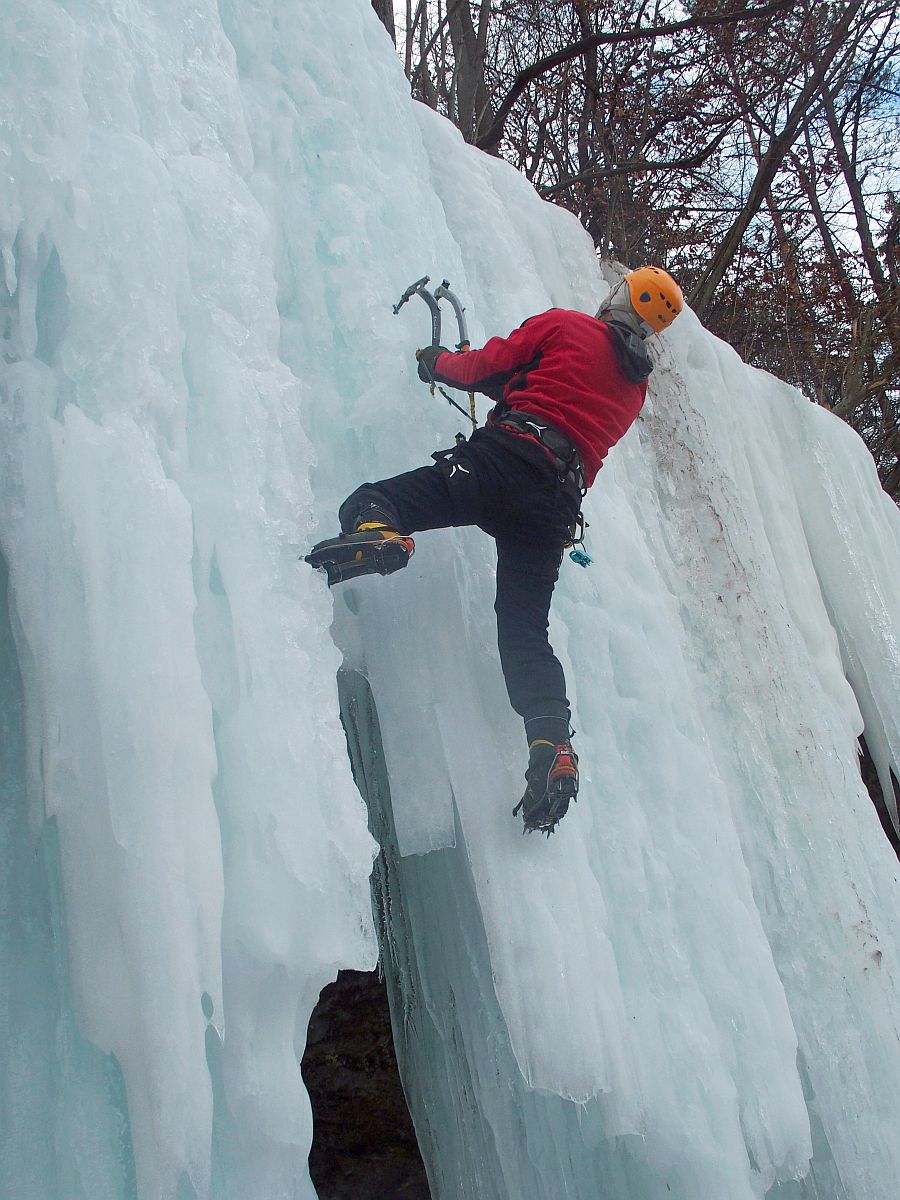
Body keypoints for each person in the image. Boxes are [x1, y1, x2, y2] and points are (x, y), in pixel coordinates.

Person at [308, 266, 684, 834]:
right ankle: (552, 744)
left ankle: (382, 535)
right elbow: (551, 396)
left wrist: (437, 363)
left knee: (379, 499)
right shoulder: (634, 390)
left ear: (619, 298)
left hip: (503, 463)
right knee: (524, 633)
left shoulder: (568, 326)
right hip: (554, 507)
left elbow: (490, 366)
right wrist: (507, 393)